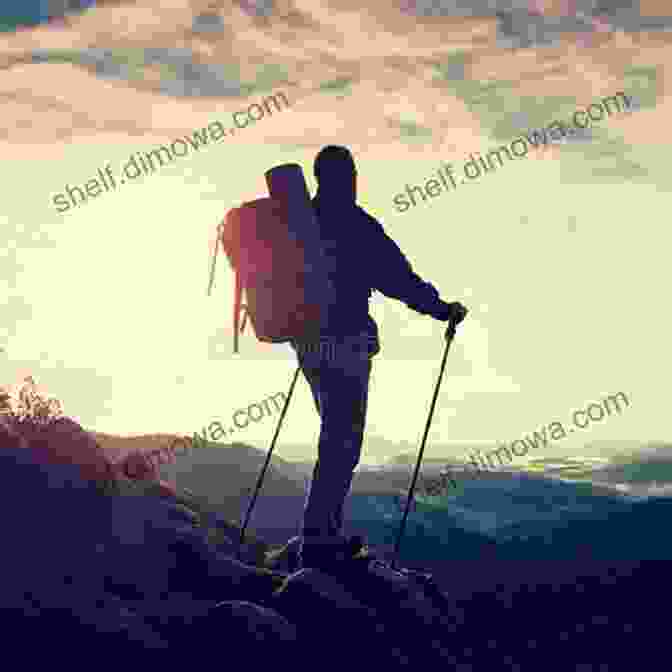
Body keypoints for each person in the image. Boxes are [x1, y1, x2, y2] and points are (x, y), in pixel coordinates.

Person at [290, 145, 467, 572]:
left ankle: (322, 535)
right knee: (342, 443)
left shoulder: (298, 223)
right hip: (346, 344)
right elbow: (399, 279)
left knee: (335, 438)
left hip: (308, 345)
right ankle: (318, 544)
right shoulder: (356, 225)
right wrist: (442, 309)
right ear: (348, 177)